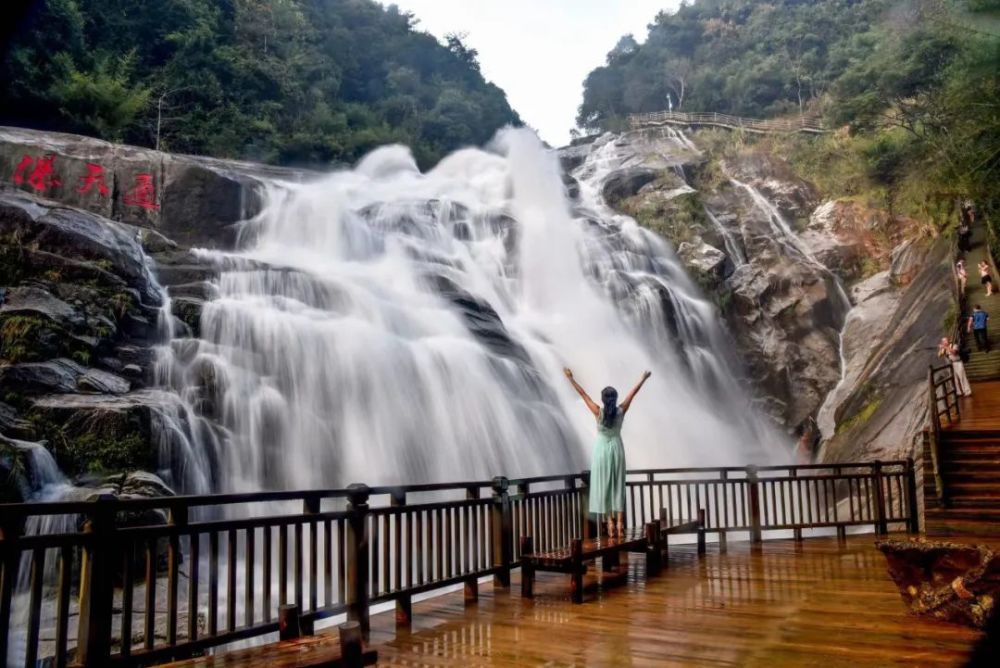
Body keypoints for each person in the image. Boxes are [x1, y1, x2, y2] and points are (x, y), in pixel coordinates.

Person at [564, 367, 651, 540]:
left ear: (604, 400)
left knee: (604, 483)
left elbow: (584, 395)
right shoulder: (621, 410)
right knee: (617, 483)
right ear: (615, 399)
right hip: (617, 448)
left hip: (602, 449)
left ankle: (609, 523)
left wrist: (571, 378)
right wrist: (643, 379)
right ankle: (620, 523)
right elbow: (632, 394)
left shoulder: (598, 412)